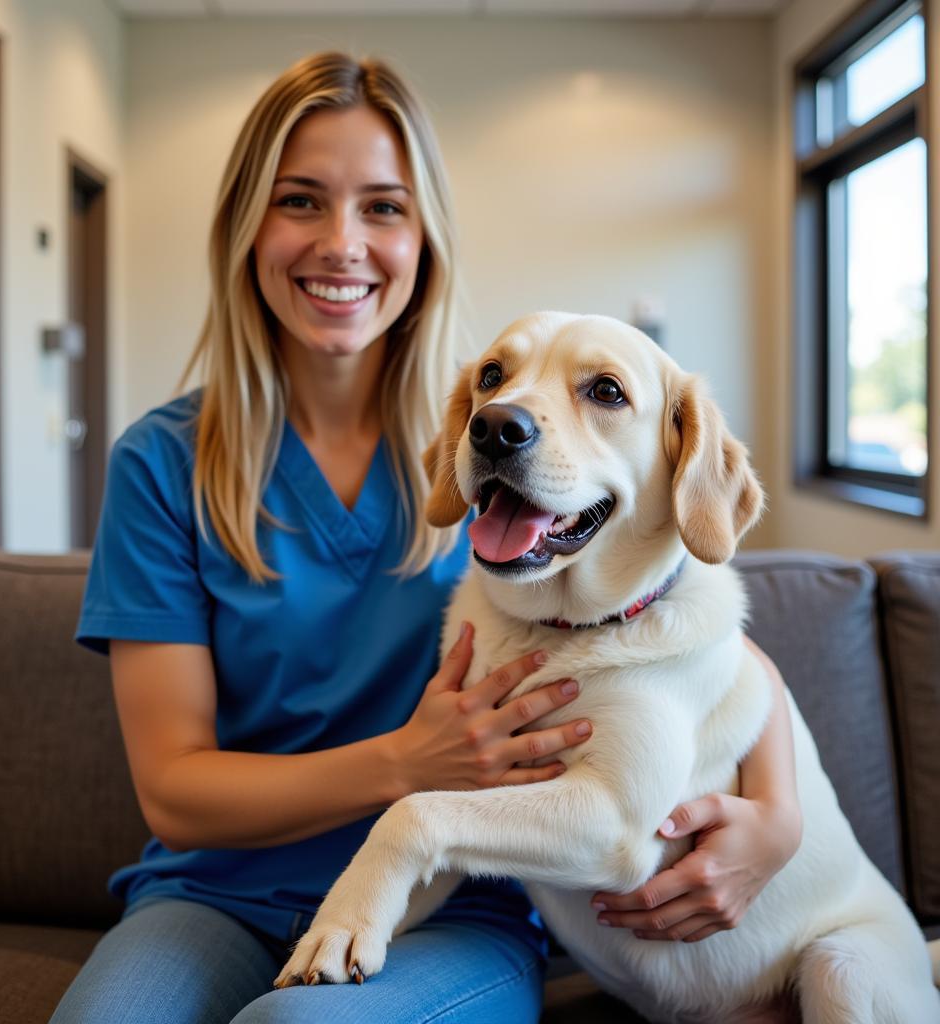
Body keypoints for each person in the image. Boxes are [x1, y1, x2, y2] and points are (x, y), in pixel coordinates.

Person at [49, 51, 801, 1024]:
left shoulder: (505, 438)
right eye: (301, 200)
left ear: (425, 238)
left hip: (459, 905)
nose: (342, 243)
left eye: (384, 207)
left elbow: (697, 631)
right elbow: (178, 794)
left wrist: (776, 822)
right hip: (215, 896)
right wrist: (408, 763)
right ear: (246, 226)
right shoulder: (162, 463)